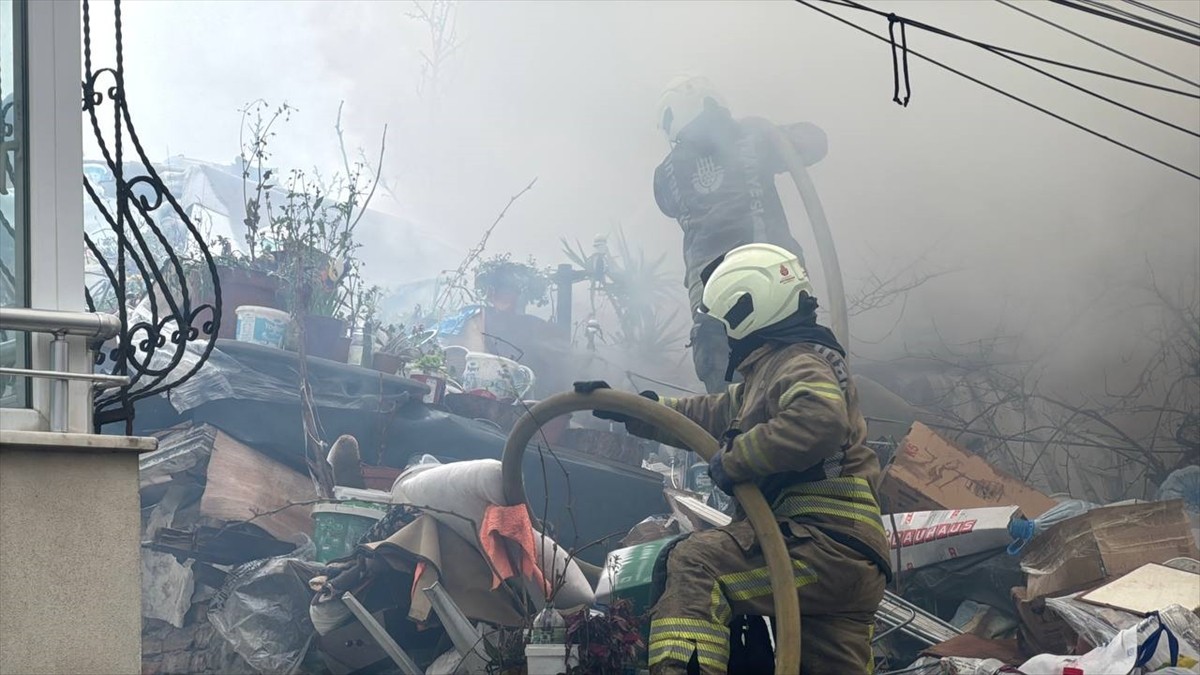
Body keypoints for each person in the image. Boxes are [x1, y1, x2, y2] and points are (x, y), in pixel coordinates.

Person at [579, 243, 890, 674]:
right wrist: (638, 409)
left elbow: (819, 421)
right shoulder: (773, 372)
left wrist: (735, 459)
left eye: (725, 323)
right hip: (849, 559)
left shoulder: (798, 359)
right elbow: (707, 415)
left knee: (696, 563)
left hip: (820, 546)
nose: (724, 336)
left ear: (749, 307)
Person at [653, 75, 828, 393]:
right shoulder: (755, 138)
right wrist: (773, 133)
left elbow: (667, 204)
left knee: (729, 395)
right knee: (794, 377)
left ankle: (740, 434)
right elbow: (815, 143)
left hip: (712, 296)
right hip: (775, 278)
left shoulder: (665, 173)